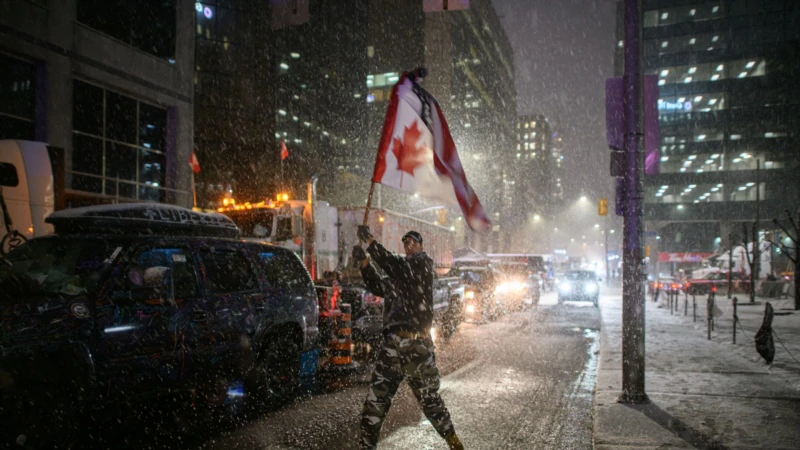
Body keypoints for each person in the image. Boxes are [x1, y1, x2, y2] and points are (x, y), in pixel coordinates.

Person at [353, 225, 464, 450]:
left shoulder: (422, 266)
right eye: (405, 241)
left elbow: (396, 267)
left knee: (430, 400)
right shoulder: (399, 274)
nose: (409, 244)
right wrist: (364, 263)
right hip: (392, 345)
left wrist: (371, 243)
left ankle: (454, 442)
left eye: (413, 241)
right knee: (375, 403)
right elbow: (376, 284)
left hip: (417, 346)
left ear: (421, 246)